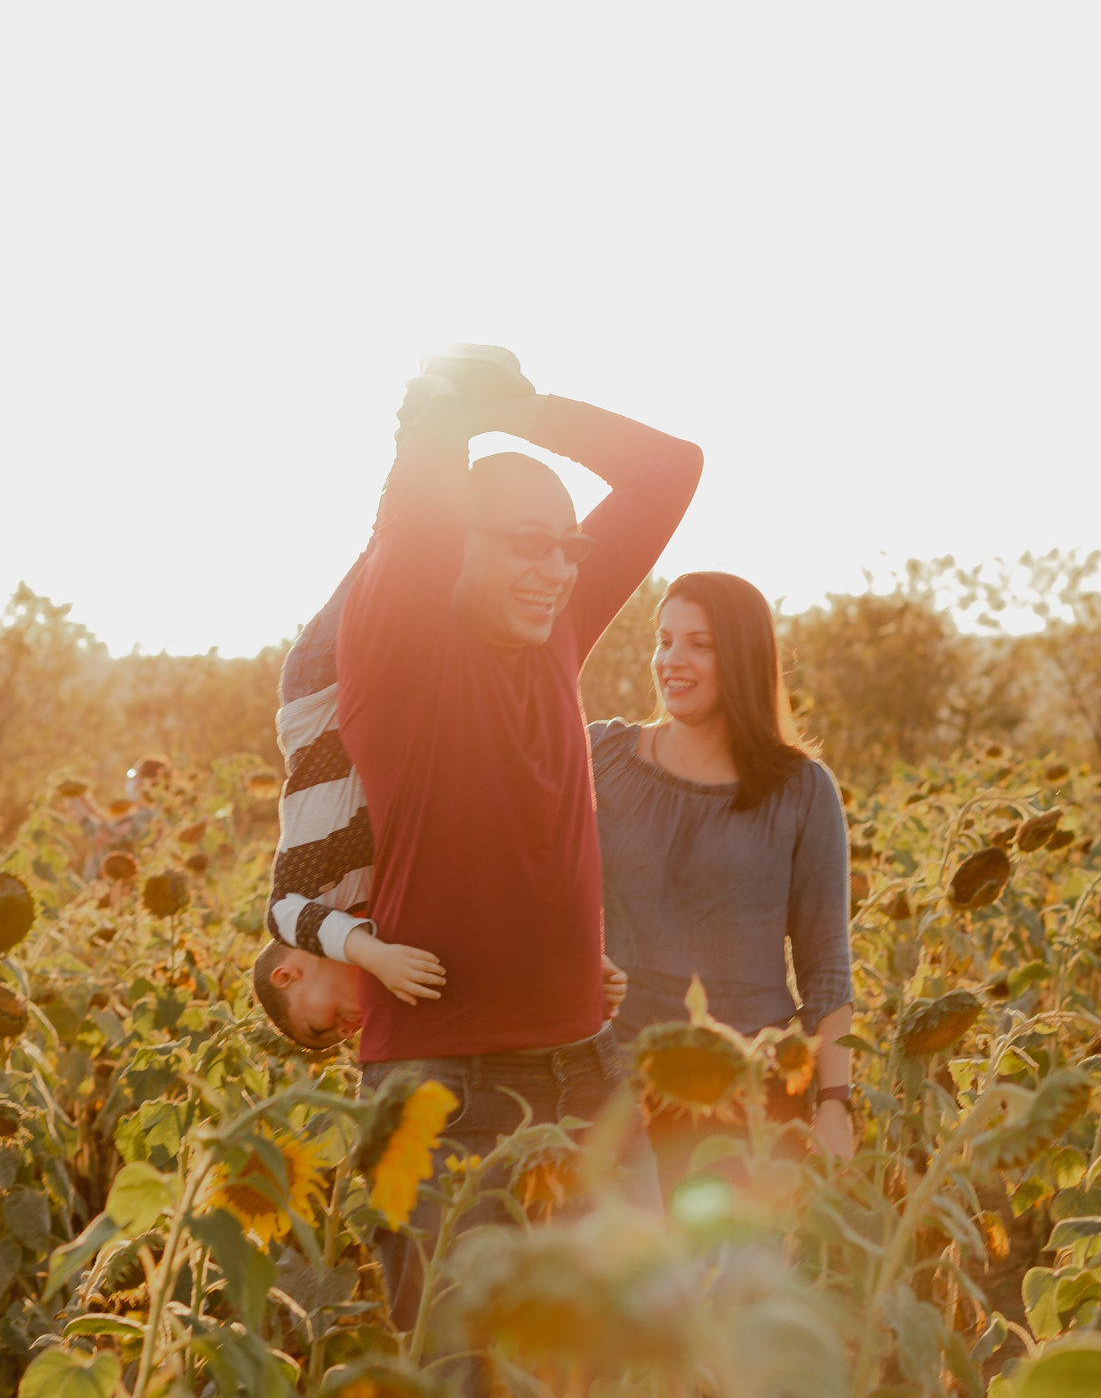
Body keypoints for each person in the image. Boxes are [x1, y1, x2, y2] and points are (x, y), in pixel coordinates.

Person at [336, 344, 702, 1325]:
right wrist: (451, 416)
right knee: (461, 1383)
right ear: (455, 539)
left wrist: (530, 412)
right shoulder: (400, 647)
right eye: (526, 544)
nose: (555, 568)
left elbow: (671, 468)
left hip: (581, 1062)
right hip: (439, 1086)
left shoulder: (558, 628)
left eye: (567, 546)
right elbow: (417, 504)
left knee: (632, 1366)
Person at [252, 557, 629, 1051]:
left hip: (320, 687)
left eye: (318, 1028)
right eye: (339, 1041)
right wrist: (583, 966)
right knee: (461, 566)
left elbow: (284, 911)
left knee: (414, 544)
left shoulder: (304, 905)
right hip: (393, 687)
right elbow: (486, 912)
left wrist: (377, 958)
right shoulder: (382, 918)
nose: (344, 1034)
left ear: (288, 976)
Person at [590, 572, 856, 1181]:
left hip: (751, 1090)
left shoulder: (802, 790)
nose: (671, 661)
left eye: (698, 644)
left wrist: (835, 1103)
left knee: (736, 1272)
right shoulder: (601, 756)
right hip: (613, 1084)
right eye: (664, 640)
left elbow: (826, 963)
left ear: (741, 656)